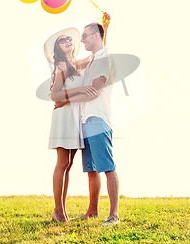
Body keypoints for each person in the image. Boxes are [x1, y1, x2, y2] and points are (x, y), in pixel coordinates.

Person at [47, 29, 98, 223]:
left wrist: (104, 28)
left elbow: (97, 53)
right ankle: (58, 210)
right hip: (64, 118)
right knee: (62, 163)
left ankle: (61, 210)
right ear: (58, 48)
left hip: (76, 116)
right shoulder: (61, 65)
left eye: (69, 39)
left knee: (68, 164)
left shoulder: (78, 64)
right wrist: (80, 89)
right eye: (62, 40)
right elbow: (55, 95)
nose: (67, 41)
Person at [78, 22, 120, 226]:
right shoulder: (94, 58)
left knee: (107, 166)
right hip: (86, 120)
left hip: (98, 119)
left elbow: (95, 89)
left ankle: (114, 215)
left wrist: (65, 97)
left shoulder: (104, 59)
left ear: (95, 36)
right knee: (91, 168)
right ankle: (92, 211)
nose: (81, 40)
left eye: (85, 36)